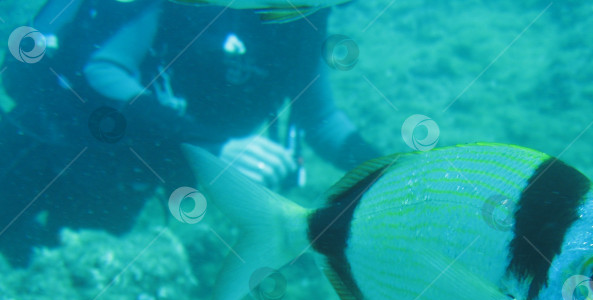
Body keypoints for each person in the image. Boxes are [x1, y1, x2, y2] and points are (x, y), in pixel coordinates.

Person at [0, 0, 378, 266]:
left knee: (70, 282)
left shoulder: (303, 18)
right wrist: (212, 146)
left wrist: (392, 174)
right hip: (49, 143)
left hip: (131, 178)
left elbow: (322, 121)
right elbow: (102, 72)